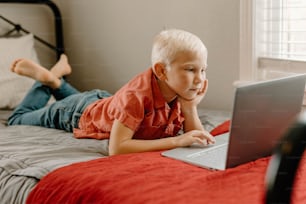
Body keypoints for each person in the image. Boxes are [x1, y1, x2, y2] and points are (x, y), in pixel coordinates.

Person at [8, 29, 215, 156]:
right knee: (17, 119)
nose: (200, 79)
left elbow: (196, 137)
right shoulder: (137, 97)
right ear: (161, 71)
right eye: (190, 69)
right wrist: (176, 141)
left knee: (83, 100)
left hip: (101, 102)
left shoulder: (179, 90)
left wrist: (190, 107)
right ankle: (47, 80)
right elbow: (117, 149)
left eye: (203, 69)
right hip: (74, 113)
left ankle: (57, 81)